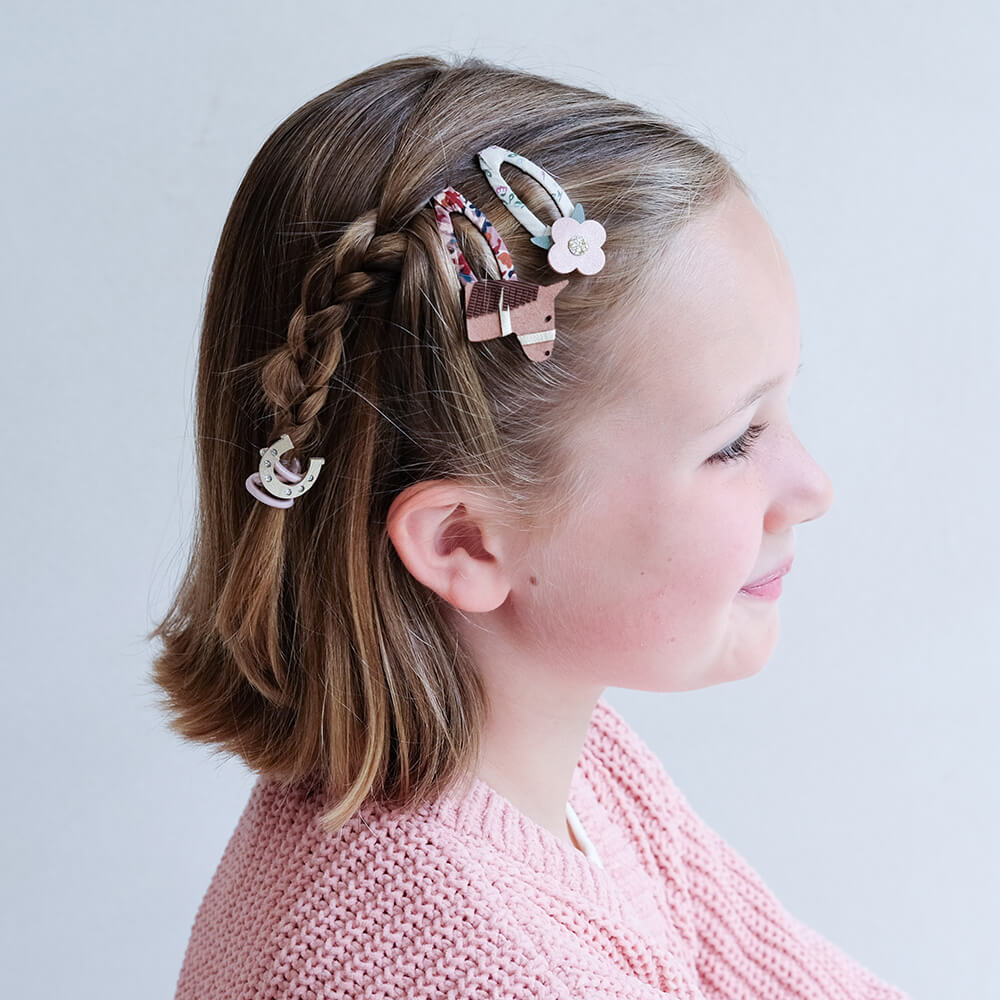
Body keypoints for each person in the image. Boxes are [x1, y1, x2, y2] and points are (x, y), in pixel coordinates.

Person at [149, 52, 910, 999]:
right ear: (465, 541)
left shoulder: (559, 769)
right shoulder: (453, 961)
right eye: (734, 442)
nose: (813, 487)